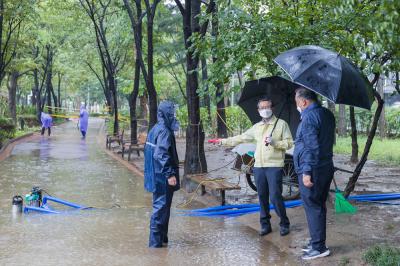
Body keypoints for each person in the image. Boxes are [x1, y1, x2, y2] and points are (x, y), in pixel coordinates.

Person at [216, 97, 293, 236]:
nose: (265, 110)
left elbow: (289, 143)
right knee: (262, 196)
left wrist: (275, 142)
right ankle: (265, 225)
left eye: (267, 107)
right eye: (262, 108)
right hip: (259, 167)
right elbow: (241, 137)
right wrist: (222, 141)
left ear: (272, 108)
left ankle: (284, 223)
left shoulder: (281, 124)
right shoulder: (257, 127)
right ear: (258, 111)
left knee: (275, 196)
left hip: (274, 166)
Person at [293, 88, 335, 260]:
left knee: (313, 206)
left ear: (303, 102)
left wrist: (307, 171)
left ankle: (319, 247)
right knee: (318, 205)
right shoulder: (326, 114)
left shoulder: (309, 116)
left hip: (313, 168)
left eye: (297, 103)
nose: (297, 106)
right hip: (325, 166)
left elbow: (312, 146)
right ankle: (316, 241)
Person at [144, 101, 180, 248]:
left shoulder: (155, 128)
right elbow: (160, 154)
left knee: (163, 208)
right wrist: (170, 174)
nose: (174, 115)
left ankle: (162, 239)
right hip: (162, 177)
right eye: (172, 113)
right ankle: (155, 245)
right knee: (160, 209)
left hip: (156, 176)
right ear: (166, 113)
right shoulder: (164, 131)